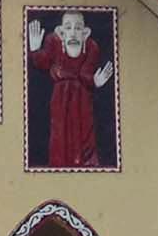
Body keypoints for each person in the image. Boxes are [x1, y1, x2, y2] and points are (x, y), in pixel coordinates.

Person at [27, 10, 115, 167]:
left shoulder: (91, 47)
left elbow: (85, 74)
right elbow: (43, 62)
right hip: (60, 101)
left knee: (85, 142)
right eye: (68, 28)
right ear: (61, 33)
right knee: (60, 139)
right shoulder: (52, 42)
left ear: (85, 33)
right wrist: (34, 50)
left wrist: (95, 81)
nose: (73, 33)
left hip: (83, 102)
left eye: (78, 28)